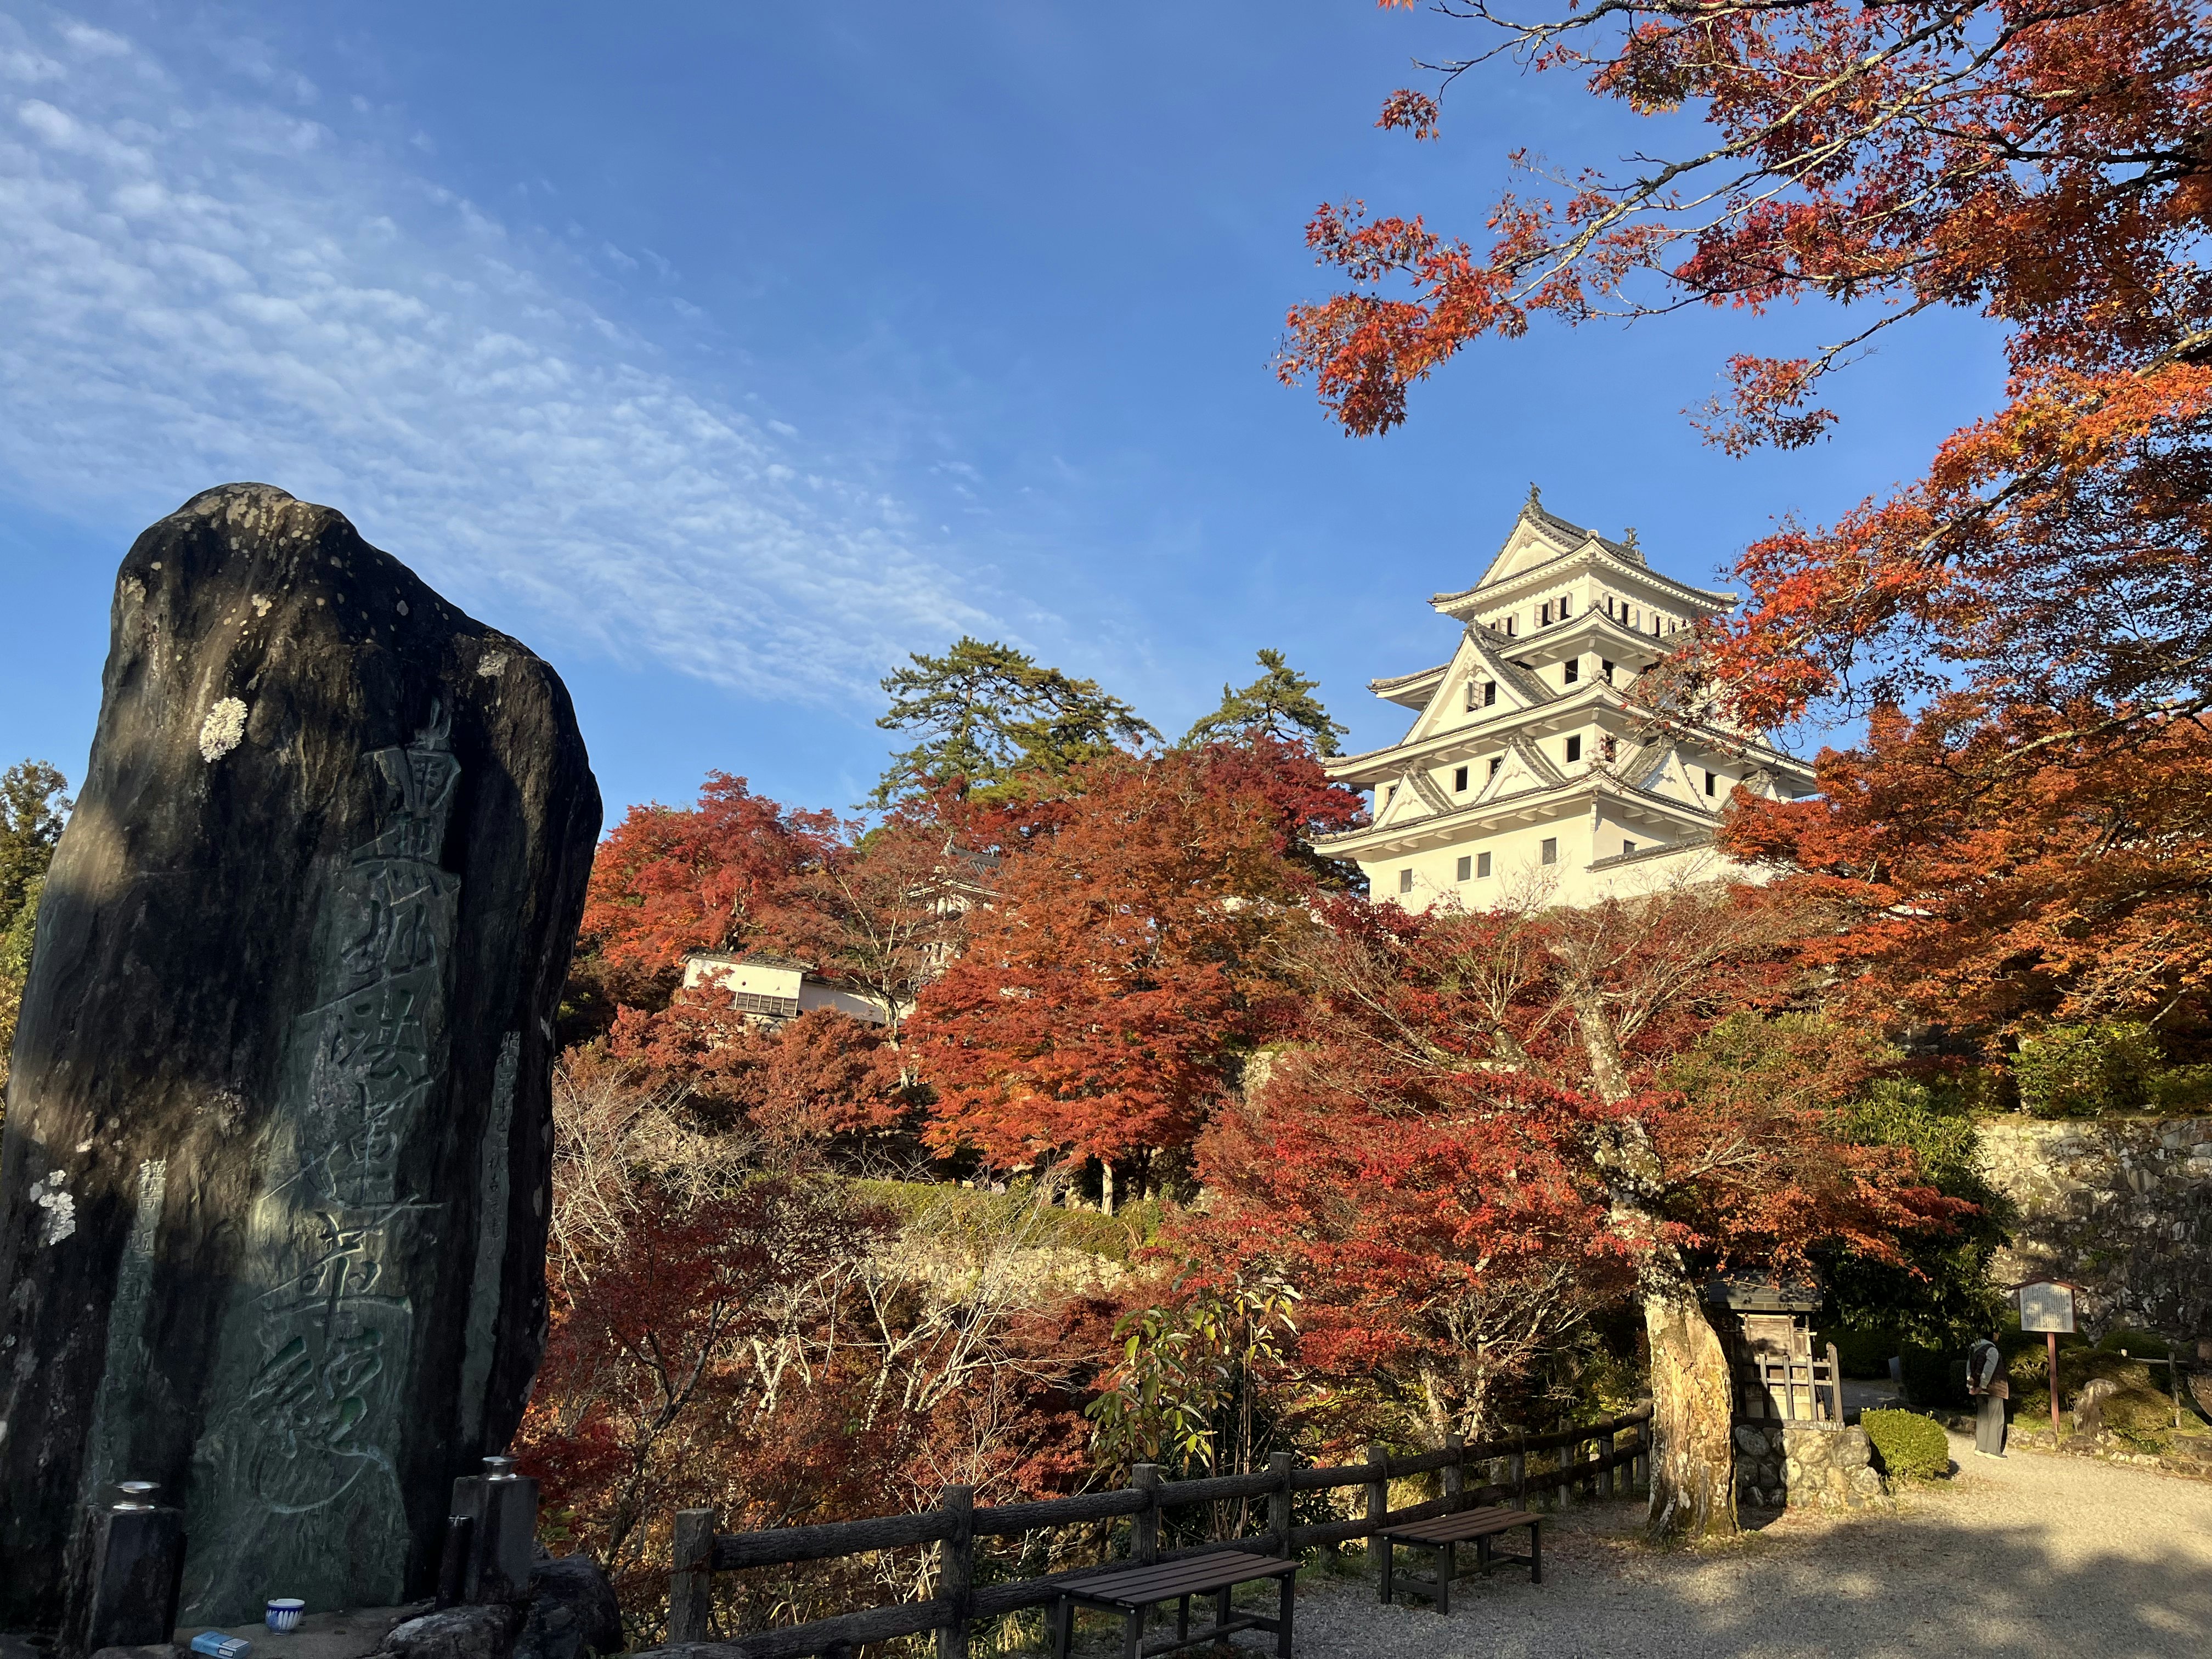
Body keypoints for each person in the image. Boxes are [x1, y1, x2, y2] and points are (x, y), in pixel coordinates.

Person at [1967, 1330, 2008, 1456]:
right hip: (1994, 1388)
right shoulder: (1992, 1349)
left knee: (1983, 1417)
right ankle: (1993, 1451)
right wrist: (1983, 1385)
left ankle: (1981, 1447)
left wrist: (1971, 1386)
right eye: (1997, 1333)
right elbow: (1989, 1369)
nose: (1999, 1336)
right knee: (1996, 1418)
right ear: (1992, 1335)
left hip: (1977, 1388)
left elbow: (1969, 1368)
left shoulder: (1974, 1348)